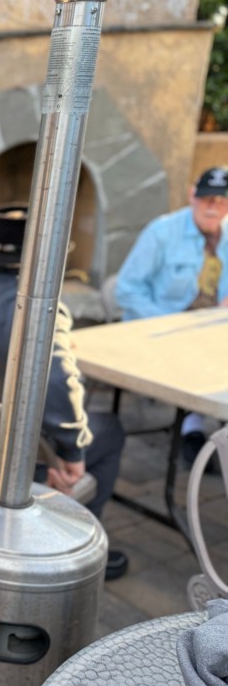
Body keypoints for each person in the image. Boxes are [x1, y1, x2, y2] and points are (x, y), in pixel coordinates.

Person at [0, 205, 129, 581]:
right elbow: (58, 386)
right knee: (109, 430)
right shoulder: (34, 306)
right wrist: (71, 452)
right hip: (7, 463)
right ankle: (75, 555)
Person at [115, 166, 228, 465]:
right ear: (192, 195)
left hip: (212, 329)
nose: (214, 207)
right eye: (207, 199)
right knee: (207, 357)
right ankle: (193, 429)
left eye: (222, 201)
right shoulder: (162, 232)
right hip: (160, 331)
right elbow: (126, 289)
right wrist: (169, 324)